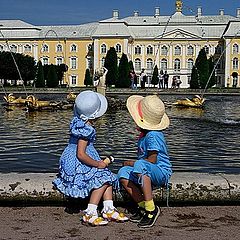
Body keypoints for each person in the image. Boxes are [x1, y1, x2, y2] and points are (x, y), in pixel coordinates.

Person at [53, 90, 128, 226]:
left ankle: (108, 208)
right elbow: (81, 154)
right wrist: (98, 164)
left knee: (107, 176)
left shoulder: (77, 122)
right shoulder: (86, 129)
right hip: (78, 161)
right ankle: (90, 212)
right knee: (102, 178)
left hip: (69, 157)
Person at [117, 95, 172, 228]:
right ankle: (142, 205)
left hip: (160, 172)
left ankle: (151, 209)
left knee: (140, 165)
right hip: (148, 171)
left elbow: (152, 160)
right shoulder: (146, 134)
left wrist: (131, 163)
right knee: (123, 173)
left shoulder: (153, 135)